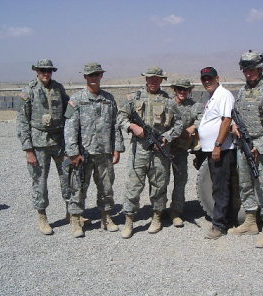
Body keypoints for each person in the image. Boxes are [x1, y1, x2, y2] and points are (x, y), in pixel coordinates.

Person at [118, 66, 182, 238]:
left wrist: (166, 137)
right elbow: (120, 117)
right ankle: (129, 220)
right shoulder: (134, 98)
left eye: (157, 78)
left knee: (159, 185)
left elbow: (179, 124)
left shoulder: (169, 101)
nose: (154, 81)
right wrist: (132, 126)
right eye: (150, 78)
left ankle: (157, 217)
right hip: (139, 150)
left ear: (161, 80)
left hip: (160, 150)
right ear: (146, 79)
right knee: (133, 186)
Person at [64, 63, 124, 238]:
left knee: (106, 187)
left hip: (104, 152)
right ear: (85, 77)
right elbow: (70, 128)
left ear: (101, 76)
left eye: (96, 74)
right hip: (84, 153)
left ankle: (106, 217)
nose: (93, 78)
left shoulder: (109, 99)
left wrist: (117, 148)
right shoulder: (76, 100)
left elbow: (116, 126)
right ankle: (76, 219)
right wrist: (73, 152)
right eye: (90, 75)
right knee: (79, 187)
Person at [230, 51, 263, 248]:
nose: (249, 73)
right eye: (246, 70)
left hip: (262, 148)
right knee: (244, 184)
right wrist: (234, 127)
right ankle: (251, 222)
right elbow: (237, 115)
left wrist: (259, 147)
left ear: (260, 69)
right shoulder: (243, 92)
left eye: (252, 69)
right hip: (243, 145)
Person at [17, 59, 70, 235]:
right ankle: (42, 217)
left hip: (59, 142)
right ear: (37, 72)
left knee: (67, 177)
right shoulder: (28, 91)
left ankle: (71, 213)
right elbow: (22, 122)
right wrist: (28, 150)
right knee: (39, 181)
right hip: (38, 144)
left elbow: (68, 111)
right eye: (42, 71)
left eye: (49, 71)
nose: (46, 74)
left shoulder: (58, 88)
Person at [197, 67, 236, 239]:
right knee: (217, 185)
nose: (207, 81)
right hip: (212, 148)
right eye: (204, 78)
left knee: (220, 187)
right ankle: (224, 219)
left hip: (222, 149)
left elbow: (226, 120)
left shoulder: (224, 95)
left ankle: (219, 225)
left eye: (210, 78)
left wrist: (218, 145)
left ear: (217, 78)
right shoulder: (212, 97)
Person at [168, 79, 203, 227]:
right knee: (159, 181)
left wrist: (193, 127)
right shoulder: (167, 104)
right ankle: (158, 210)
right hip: (164, 148)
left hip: (180, 149)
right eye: (179, 89)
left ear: (189, 91)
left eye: (185, 90)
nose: (182, 92)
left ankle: (176, 211)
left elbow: (202, 118)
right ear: (175, 90)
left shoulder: (195, 106)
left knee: (181, 180)